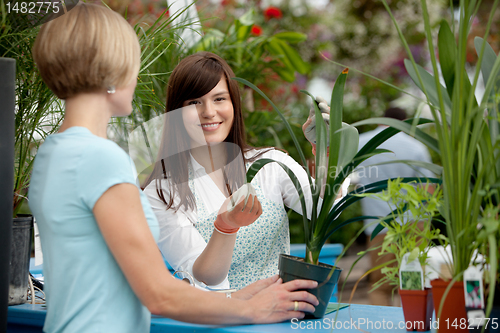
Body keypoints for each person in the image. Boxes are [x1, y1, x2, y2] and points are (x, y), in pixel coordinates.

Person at [28, 4, 319, 332]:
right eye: (134, 63)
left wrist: (236, 300)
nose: (136, 77)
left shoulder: (52, 154)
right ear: (111, 70)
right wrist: (253, 310)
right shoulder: (100, 159)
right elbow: (159, 295)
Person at [143, 53, 344, 291]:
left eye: (219, 99)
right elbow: (205, 278)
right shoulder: (162, 192)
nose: (208, 112)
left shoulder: (271, 164)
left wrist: (326, 152)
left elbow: (325, 210)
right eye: (194, 102)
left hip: (282, 316)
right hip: (220, 323)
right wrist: (225, 227)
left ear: (234, 105)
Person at [356, 107, 434, 306]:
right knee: (413, 284)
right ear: (404, 121)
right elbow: (430, 190)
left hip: (377, 226)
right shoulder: (415, 147)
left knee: (380, 286)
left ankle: (383, 327)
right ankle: (414, 325)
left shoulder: (360, 144)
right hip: (413, 225)